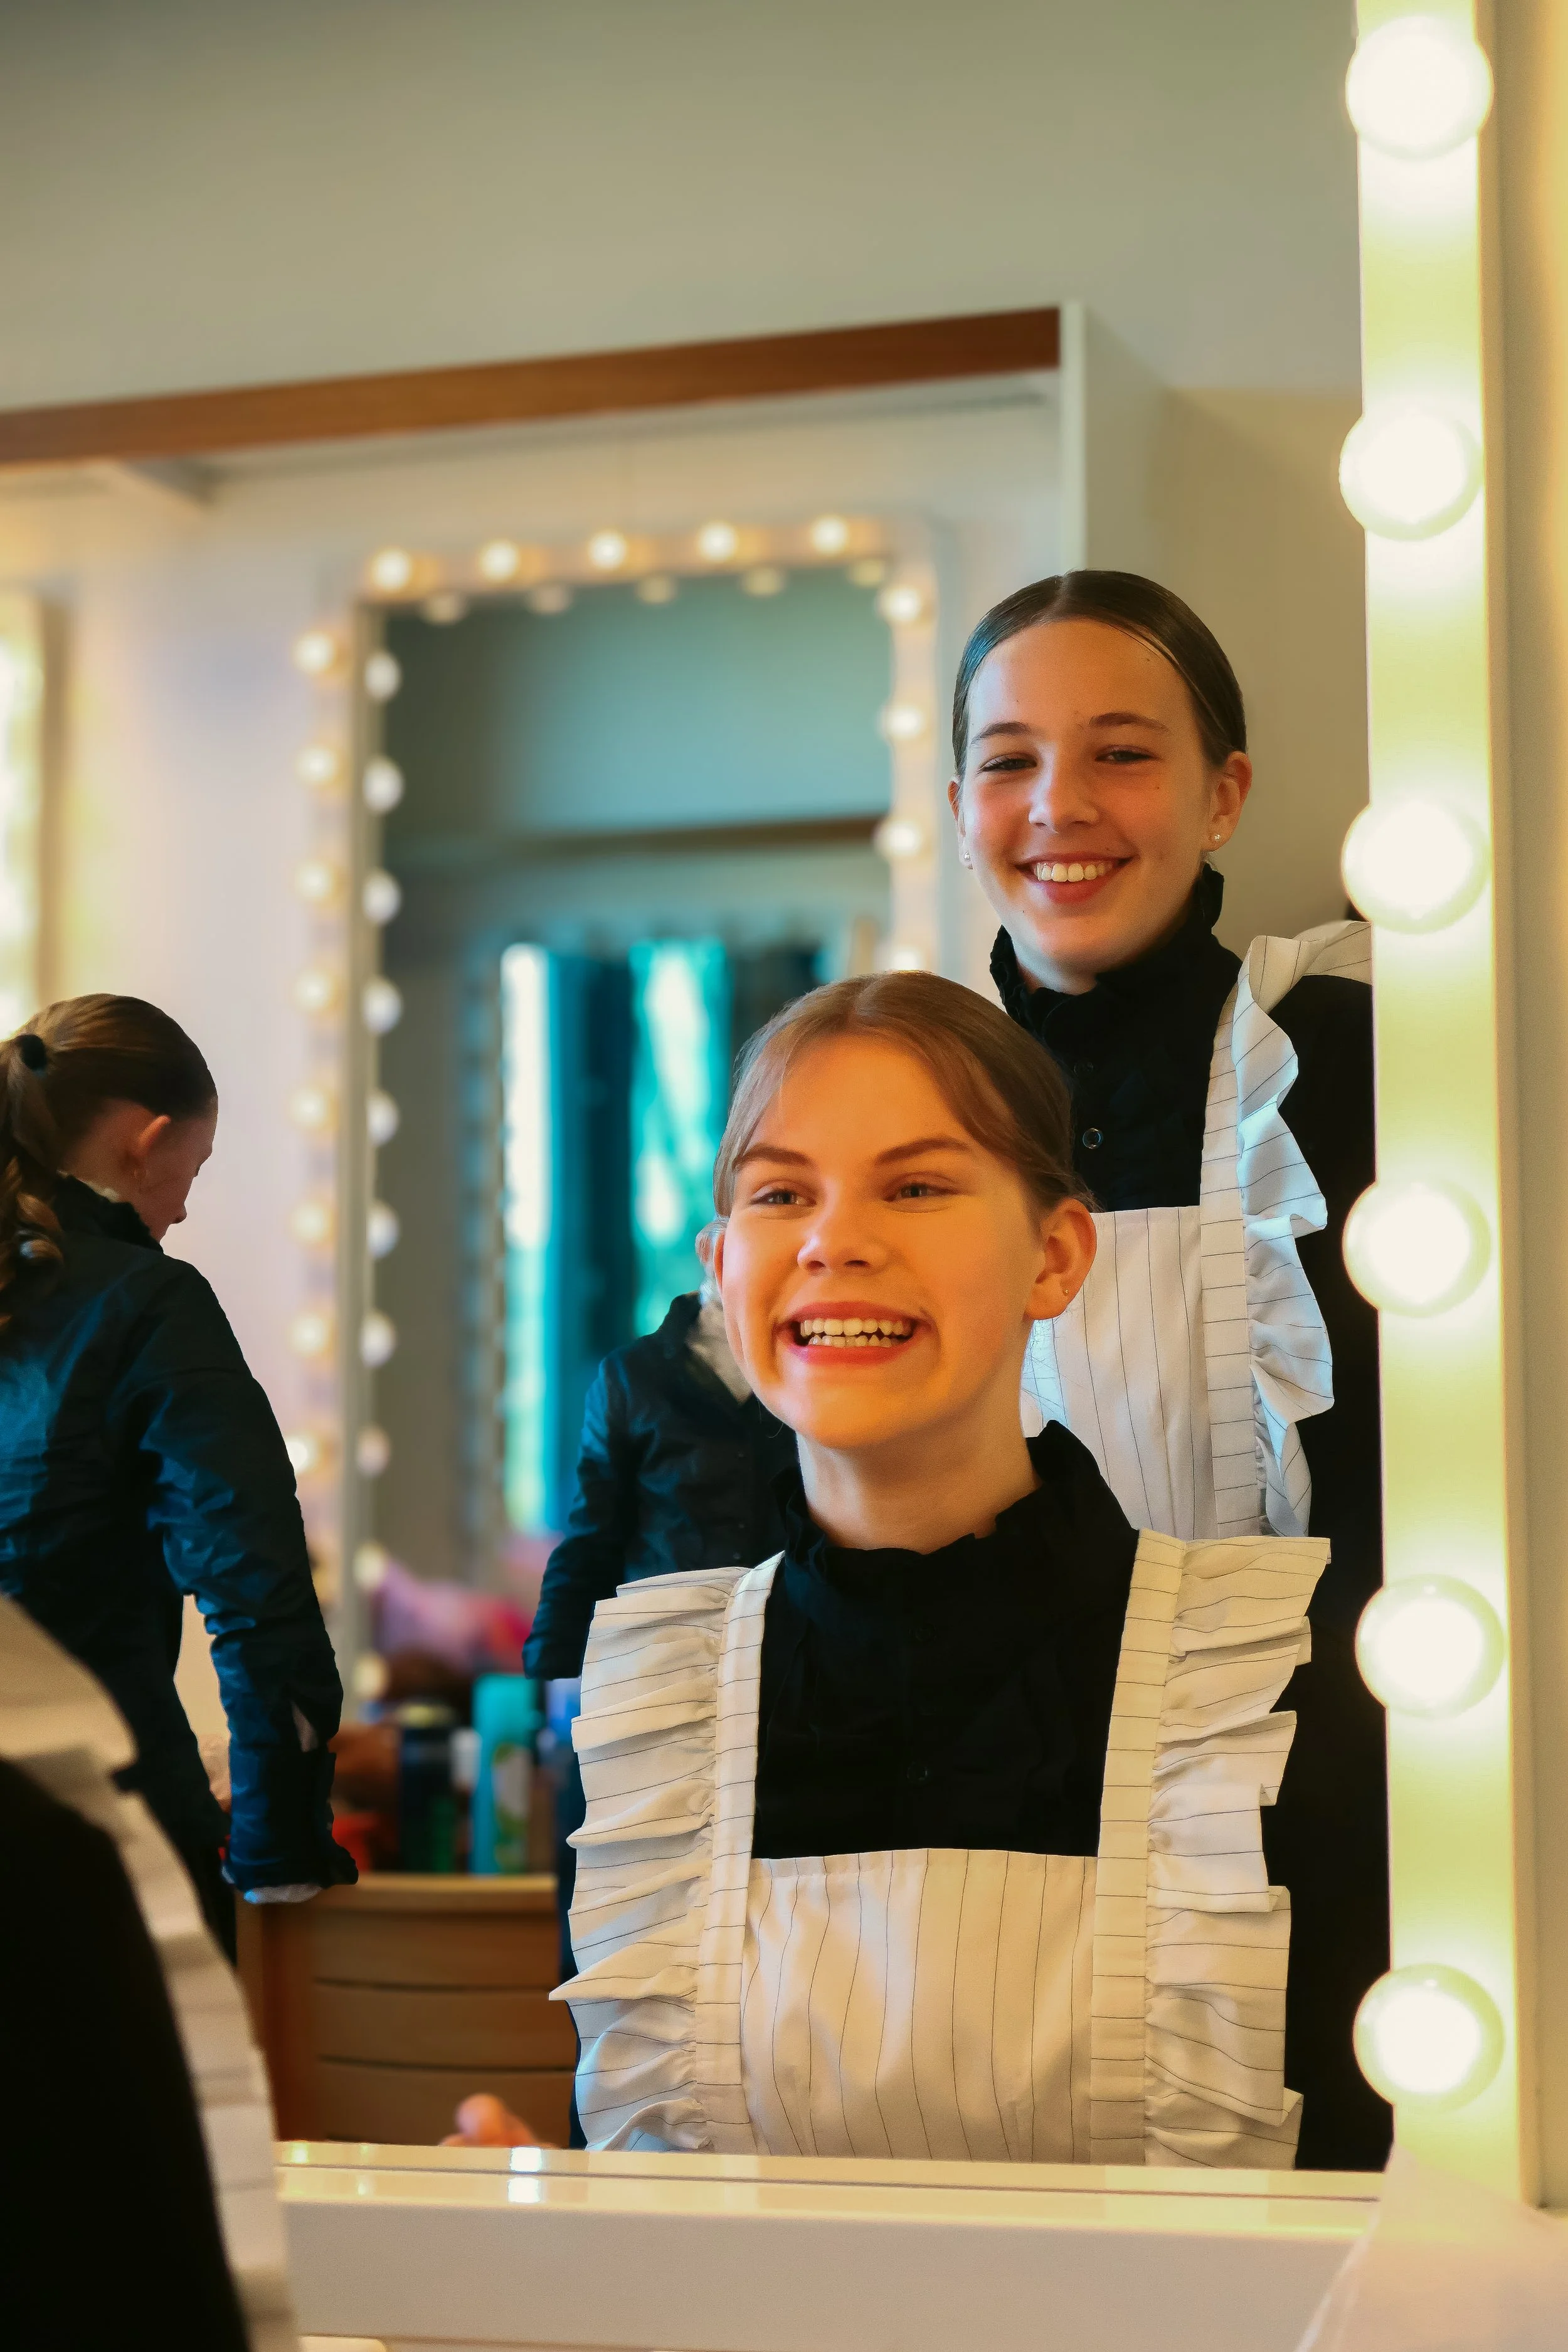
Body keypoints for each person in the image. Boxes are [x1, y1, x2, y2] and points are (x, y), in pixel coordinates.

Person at [553, 973, 1338, 2168]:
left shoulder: (1248, 1690)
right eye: (781, 1192)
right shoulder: (654, 1716)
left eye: (915, 1185)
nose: (833, 1241)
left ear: (1055, 1255)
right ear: (720, 1263)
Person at [946, 569, 1387, 2170]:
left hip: (1330, 1829)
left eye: (1120, 753)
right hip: (996, 1823)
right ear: (958, 806)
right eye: (1007, 760)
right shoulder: (903, 1103)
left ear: (1222, 796)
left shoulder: (1337, 1055)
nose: (1057, 805)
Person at [0, 996, 353, 1957]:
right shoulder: (148, 1302)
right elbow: (253, 1588)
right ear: (146, 1141)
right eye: (192, 1169)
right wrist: (279, 1844)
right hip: (91, 1847)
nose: (185, 1208)